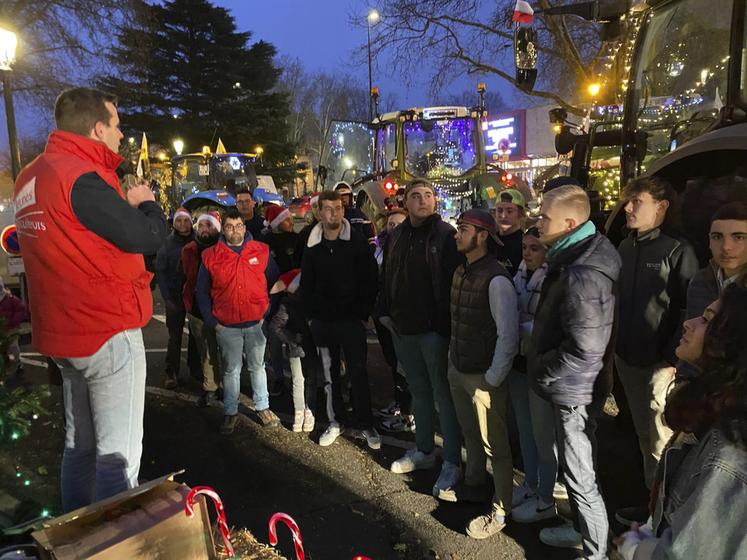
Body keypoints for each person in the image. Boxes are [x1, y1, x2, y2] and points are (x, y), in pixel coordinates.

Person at [14, 87, 167, 512]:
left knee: (79, 447)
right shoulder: (79, 176)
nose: (121, 135)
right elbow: (147, 236)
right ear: (98, 128)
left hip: (62, 333)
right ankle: (107, 547)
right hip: (105, 329)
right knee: (117, 459)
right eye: (117, 126)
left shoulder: (30, 177)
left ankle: (74, 541)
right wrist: (147, 204)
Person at [616, 283, 747, 560]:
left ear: (732, 342)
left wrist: (636, 548)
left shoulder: (728, 457)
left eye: (707, 319)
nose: (688, 323)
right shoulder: (712, 410)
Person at [529, 185, 620, 559]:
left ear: (569, 223)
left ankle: (595, 551)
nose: (536, 224)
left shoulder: (583, 273)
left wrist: (542, 370)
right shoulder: (579, 254)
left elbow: (585, 350)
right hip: (577, 388)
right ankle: (581, 531)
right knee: (579, 472)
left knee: (581, 478)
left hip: (574, 393)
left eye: (543, 219)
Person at [614, 177, 699, 526]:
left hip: (658, 365)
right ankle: (652, 506)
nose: (628, 208)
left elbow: (688, 308)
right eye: (628, 201)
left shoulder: (679, 250)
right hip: (626, 357)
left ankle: (664, 518)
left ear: (661, 206)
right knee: (642, 433)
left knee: (661, 439)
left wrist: (669, 358)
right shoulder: (625, 245)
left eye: (637, 201)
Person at [379, 178, 464, 496]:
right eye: (416, 195)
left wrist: (445, 326)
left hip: (434, 331)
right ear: (406, 201)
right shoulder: (397, 235)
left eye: (428, 195)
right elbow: (386, 274)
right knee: (419, 392)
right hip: (404, 329)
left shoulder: (445, 235)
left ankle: (452, 460)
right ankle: (425, 450)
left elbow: (454, 283)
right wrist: (385, 312)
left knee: (444, 395)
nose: (423, 200)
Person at [440, 209, 518, 540]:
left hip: (483, 376)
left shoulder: (497, 279)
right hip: (459, 368)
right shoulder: (461, 270)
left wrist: (493, 378)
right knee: (469, 435)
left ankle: (501, 509)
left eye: (463, 229)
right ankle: (474, 484)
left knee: (495, 446)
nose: (457, 234)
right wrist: (452, 362)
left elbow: (508, 334)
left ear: (482, 235)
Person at [301, 190, 380, 449]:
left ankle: (365, 422)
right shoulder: (312, 244)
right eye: (328, 208)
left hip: (351, 320)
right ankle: (336, 421)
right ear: (320, 212)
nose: (333, 213)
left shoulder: (356, 241)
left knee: (358, 372)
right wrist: (312, 316)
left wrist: (361, 314)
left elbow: (370, 279)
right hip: (323, 322)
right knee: (329, 374)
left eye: (338, 208)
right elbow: (307, 282)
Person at [196, 208, 280, 434]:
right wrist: (213, 322)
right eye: (230, 226)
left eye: (239, 226)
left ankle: (262, 407)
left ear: (245, 226)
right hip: (227, 324)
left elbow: (275, 283)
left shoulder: (261, 251)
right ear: (223, 228)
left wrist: (266, 312)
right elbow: (201, 291)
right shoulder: (211, 256)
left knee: (258, 367)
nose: (235, 230)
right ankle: (231, 411)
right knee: (231, 370)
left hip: (256, 323)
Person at [508, 227, 561, 524]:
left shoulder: (552, 279)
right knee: (526, 429)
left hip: (538, 363)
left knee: (544, 436)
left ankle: (546, 495)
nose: (527, 252)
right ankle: (530, 484)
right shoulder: (519, 274)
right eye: (525, 247)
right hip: (518, 359)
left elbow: (547, 324)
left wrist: (519, 324)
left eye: (535, 248)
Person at [373, 208, 414, 433]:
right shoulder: (382, 248)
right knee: (393, 364)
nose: (393, 228)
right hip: (383, 315)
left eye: (398, 224)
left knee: (404, 367)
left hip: (399, 318)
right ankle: (399, 404)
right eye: (390, 224)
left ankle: (409, 414)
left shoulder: (407, 250)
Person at [180, 212, 223, 408]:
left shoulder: (223, 248)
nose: (204, 229)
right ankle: (210, 388)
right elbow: (189, 276)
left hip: (222, 307)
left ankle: (226, 386)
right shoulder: (190, 249)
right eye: (201, 225)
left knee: (225, 351)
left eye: (209, 225)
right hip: (198, 308)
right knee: (206, 351)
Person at [267, 269, 316, 432]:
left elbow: (276, 326)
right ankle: (304, 411)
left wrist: (292, 339)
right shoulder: (293, 303)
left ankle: (303, 411)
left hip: (300, 347)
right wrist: (294, 339)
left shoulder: (288, 302)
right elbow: (276, 326)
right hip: (304, 347)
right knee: (306, 380)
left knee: (300, 380)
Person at [686, 201, 747, 323]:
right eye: (717, 237)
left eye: (739, 237)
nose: (726, 247)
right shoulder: (699, 281)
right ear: (709, 242)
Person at [155, 207, 195, 389]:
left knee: (196, 335)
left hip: (194, 294)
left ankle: (196, 371)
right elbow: (161, 271)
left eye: (186, 220)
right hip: (174, 294)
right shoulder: (167, 243)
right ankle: (171, 372)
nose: (183, 224)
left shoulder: (197, 240)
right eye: (179, 221)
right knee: (175, 336)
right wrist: (167, 297)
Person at [494, 188, 525, 277]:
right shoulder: (490, 240)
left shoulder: (525, 244)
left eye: (509, 211)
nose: (503, 216)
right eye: (499, 210)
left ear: (520, 214)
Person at [334, 182, 376, 246]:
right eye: (341, 196)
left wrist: (371, 248)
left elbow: (370, 235)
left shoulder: (358, 214)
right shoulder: (332, 217)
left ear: (350, 197)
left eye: (346, 195)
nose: (343, 198)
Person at [0, 278, 27, 375]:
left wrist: (12, 322)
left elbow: (21, 310)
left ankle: (16, 363)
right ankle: (5, 367)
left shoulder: (10, 298)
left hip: (11, 329)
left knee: (12, 347)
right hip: (1, 330)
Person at [262, 204, 298, 273]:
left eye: (291, 219)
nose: (291, 223)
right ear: (276, 223)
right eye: (287, 220)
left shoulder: (296, 238)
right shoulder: (264, 243)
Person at [294, 194, 320, 266]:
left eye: (321, 205)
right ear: (311, 209)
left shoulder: (336, 228)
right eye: (315, 206)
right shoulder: (305, 232)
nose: (318, 209)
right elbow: (298, 258)